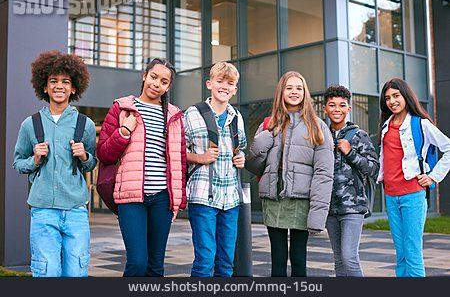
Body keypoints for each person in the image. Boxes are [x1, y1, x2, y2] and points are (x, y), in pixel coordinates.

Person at [97, 58, 186, 277]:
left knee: (156, 266)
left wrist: (177, 200)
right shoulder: (122, 108)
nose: (157, 84)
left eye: (164, 81)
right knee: (137, 262)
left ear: (168, 87)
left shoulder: (174, 115)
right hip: (131, 197)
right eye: (154, 77)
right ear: (144, 75)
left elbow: (179, 160)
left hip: (162, 199)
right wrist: (124, 132)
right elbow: (104, 154)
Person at [13, 50, 97, 277]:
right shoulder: (30, 124)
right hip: (43, 211)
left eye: (65, 82)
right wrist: (35, 159)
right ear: (44, 87)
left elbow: (91, 164)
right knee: (47, 272)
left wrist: (84, 157)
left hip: (76, 211)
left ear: (74, 88)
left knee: (77, 273)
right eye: (53, 81)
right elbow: (18, 163)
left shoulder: (85, 124)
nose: (59, 86)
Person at [246, 71, 334, 277]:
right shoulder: (268, 124)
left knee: (298, 259)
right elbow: (254, 167)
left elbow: (324, 173)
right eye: (289, 88)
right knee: (277, 259)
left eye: (299, 88)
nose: (294, 92)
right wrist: (263, 140)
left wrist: (317, 215)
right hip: (274, 200)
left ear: (305, 93)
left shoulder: (317, 126)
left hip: (301, 202)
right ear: (281, 92)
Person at [378, 78, 450, 277]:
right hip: (391, 196)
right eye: (387, 98)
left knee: (412, 252)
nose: (392, 101)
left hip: (412, 195)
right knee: (400, 253)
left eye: (396, 96)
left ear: (406, 96)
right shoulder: (385, 126)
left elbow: (448, 147)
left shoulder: (420, 124)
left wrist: (433, 177)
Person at [183, 61, 246, 277]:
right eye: (220, 81)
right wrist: (198, 157)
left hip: (231, 198)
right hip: (203, 197)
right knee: (205, 259)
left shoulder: (237, 117)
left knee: (226, 261)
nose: (224, 86)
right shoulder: (192, 113)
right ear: (209, 83)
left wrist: (242, 158)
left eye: (230, 83)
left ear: (235, 89)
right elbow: (176, 153)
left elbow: (241, 148)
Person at [322, 85, 379, 277]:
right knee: (338, 260)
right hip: (329, 208)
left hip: (353, 207)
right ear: (325, 109)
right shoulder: (321, 136)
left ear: (348, 109)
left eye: (342, 105)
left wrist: (350, 152)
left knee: (349, 257)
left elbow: (373, 168)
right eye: (332, 105)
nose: (337, 109)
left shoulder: (359, 135)